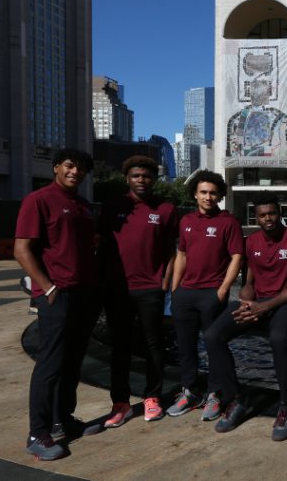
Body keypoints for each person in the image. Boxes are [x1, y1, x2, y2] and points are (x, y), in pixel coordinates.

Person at [14, 149, 102, 460]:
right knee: (50, 365)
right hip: (57, 295)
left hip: (85, 295)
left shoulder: (83, 205)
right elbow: (22, 249)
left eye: (81, 169)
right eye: (69, 166)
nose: (75, 172)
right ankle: (37, 433)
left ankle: (61, 421)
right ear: (56, 168)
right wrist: (47, 286)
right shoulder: (38, 200)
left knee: (73, 362)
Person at [203, 192, 287, 434]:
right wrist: (247, 304)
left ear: (280, 215)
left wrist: (265, 307)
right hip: (257, 302)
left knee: (279, 339)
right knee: (211, 336)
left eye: (272, 213)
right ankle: (236, 398)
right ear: (256, 217)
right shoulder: (251, 242)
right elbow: (248, 283)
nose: (267, 218)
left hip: (285, 303)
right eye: (262, 215)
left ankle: (285, 406)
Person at [98, 155, 179, 427]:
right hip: (118, 288)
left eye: (146, 176)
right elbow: (101, 246)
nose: (141, 180)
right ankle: (120, 403)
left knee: (153, 345)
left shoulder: (166, 209)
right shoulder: (112, 207)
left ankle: (152, 397)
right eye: (136, 176)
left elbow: (173, 250)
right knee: (119, 346)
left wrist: (165, 281)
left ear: (154, 179)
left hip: (150, 289)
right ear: (127, 178)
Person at [167, 170, 244, 419]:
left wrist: (222, 290)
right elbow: (182, 255)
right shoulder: (187, 220)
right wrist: (175, 289)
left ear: (220, 195)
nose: (208, 197)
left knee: (214, 346)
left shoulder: (228, 222)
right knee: (186, 346)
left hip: (212, 293)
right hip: (186, 294)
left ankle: (215, 394)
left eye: (213, 193)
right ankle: (190, 391)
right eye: (203, 192)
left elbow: (237, 257)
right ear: (195, 194)